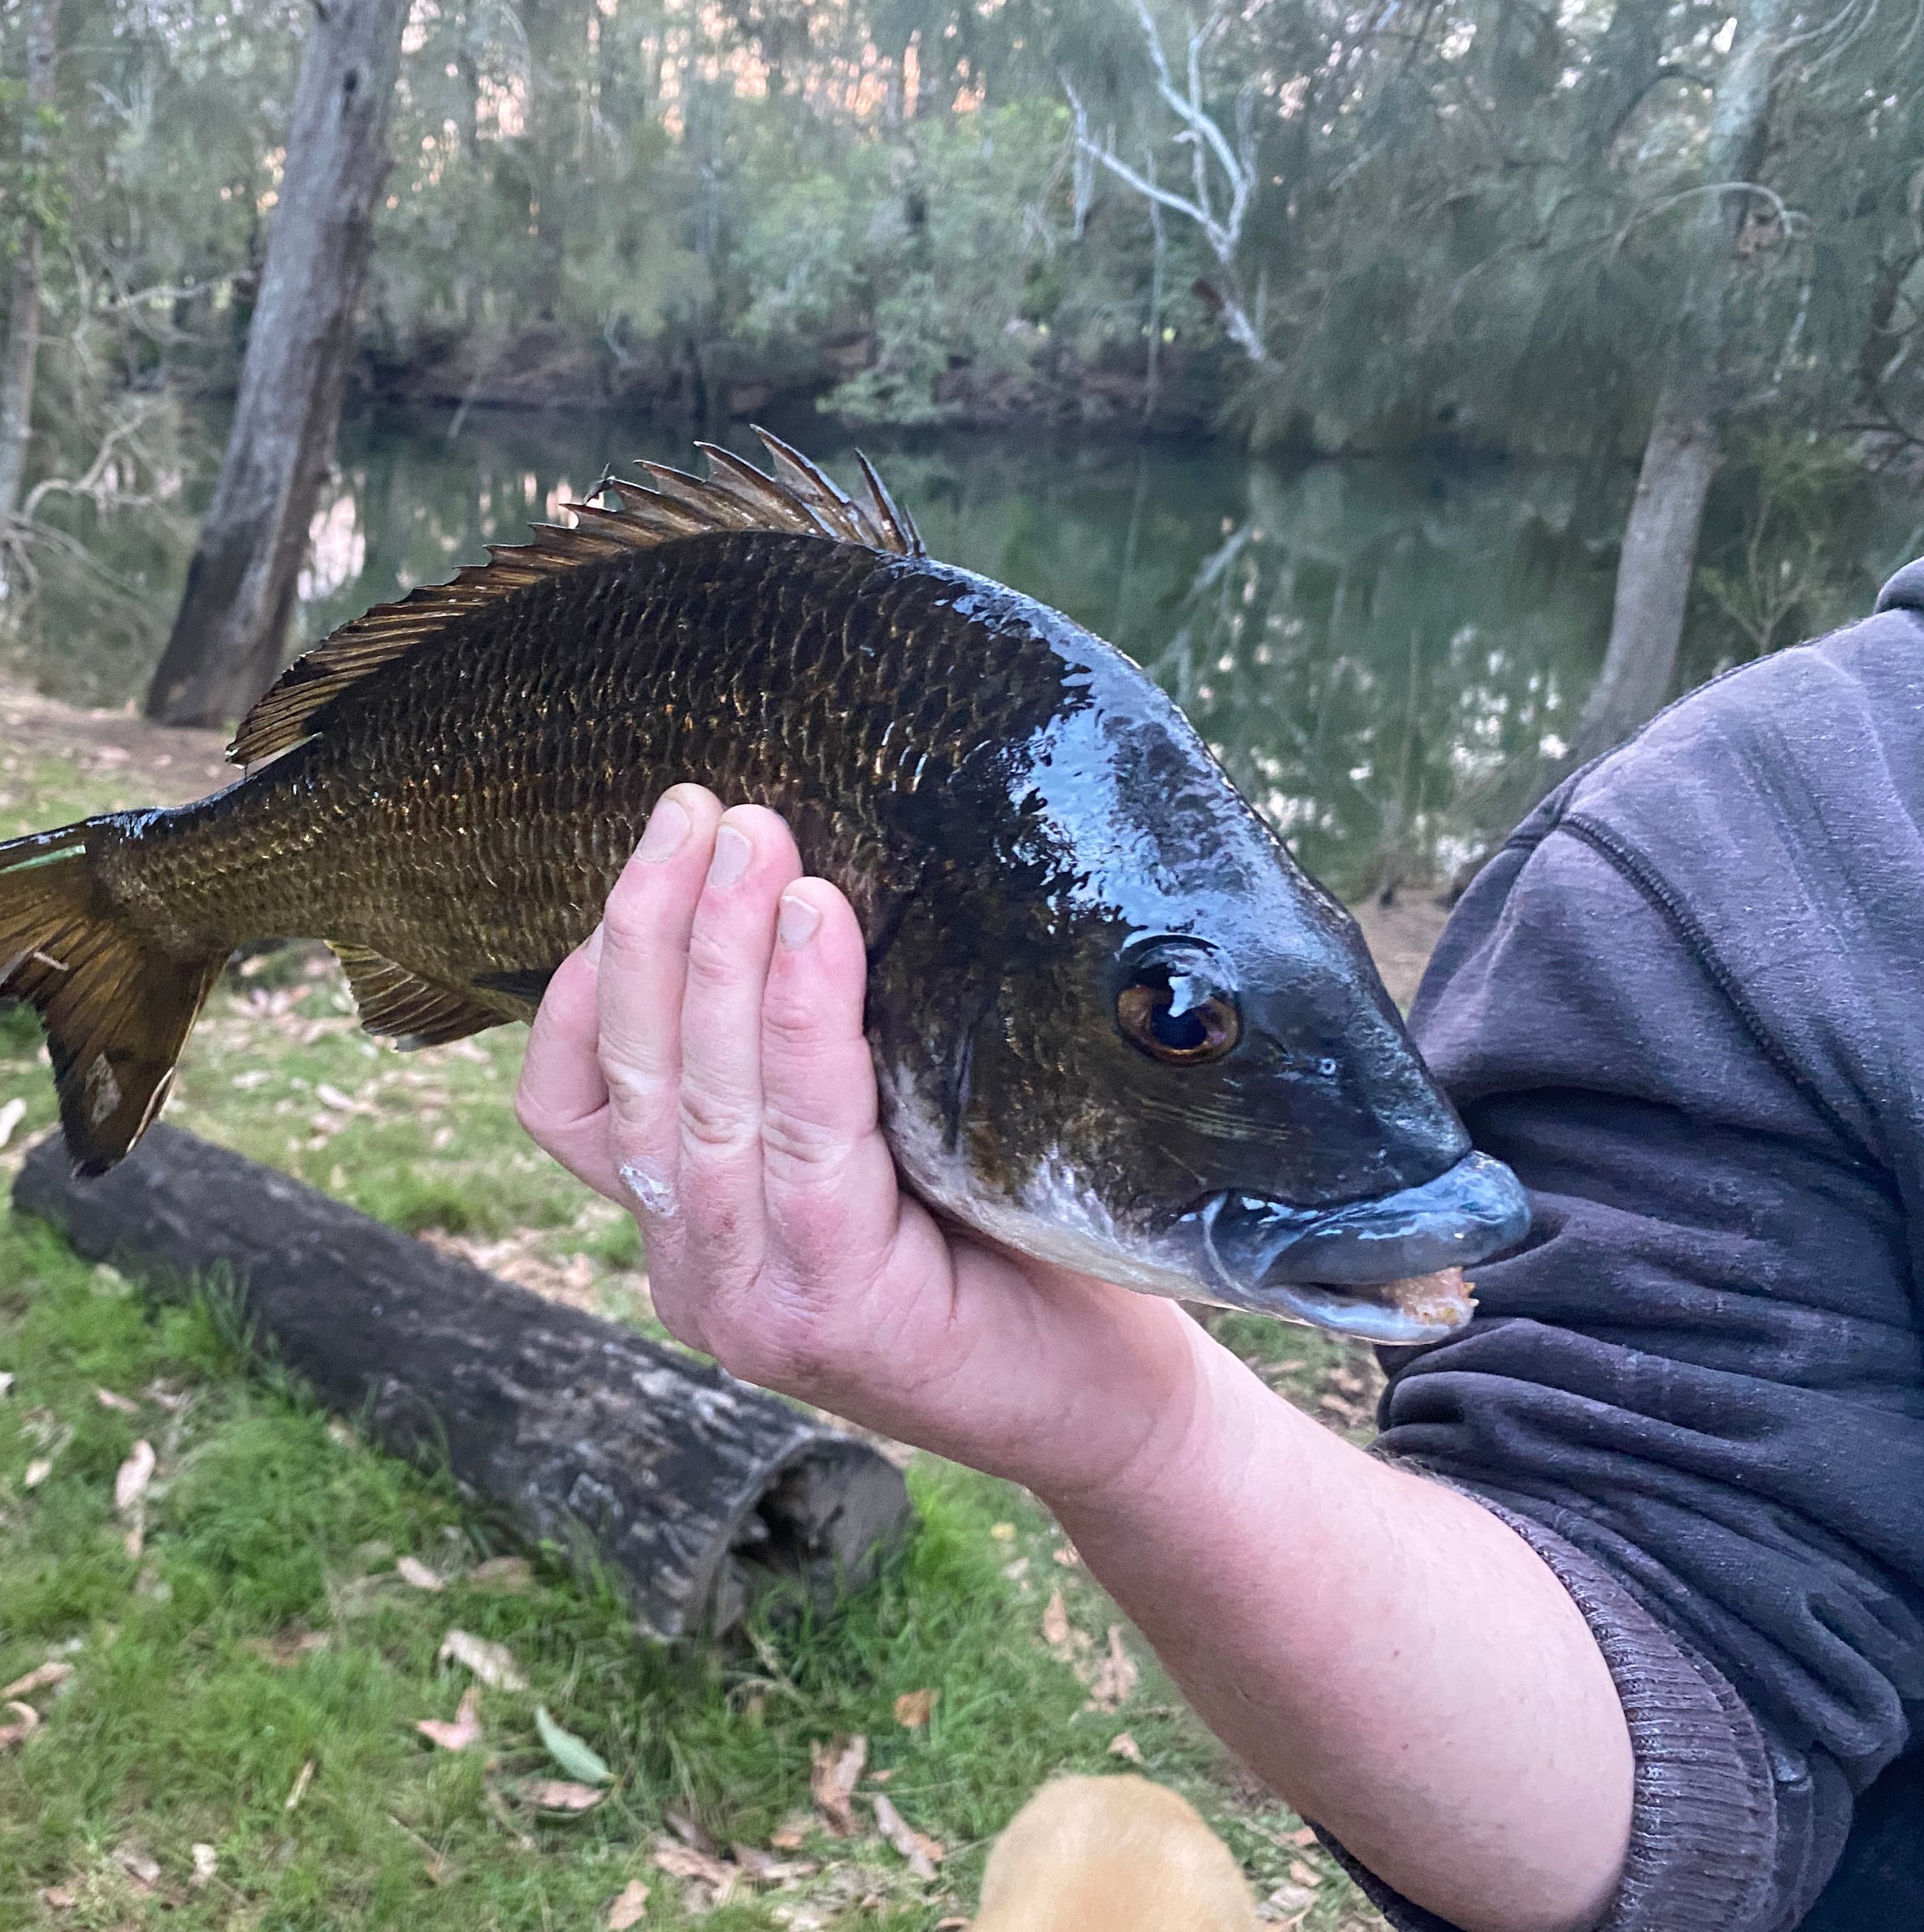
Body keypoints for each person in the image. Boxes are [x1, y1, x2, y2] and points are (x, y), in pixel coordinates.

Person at [511, 557, 1924, 1932]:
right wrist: (1135, 1424)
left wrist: (1137, 1424)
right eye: (1176, 1024)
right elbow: (1704, 1644)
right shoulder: (1767, 826)